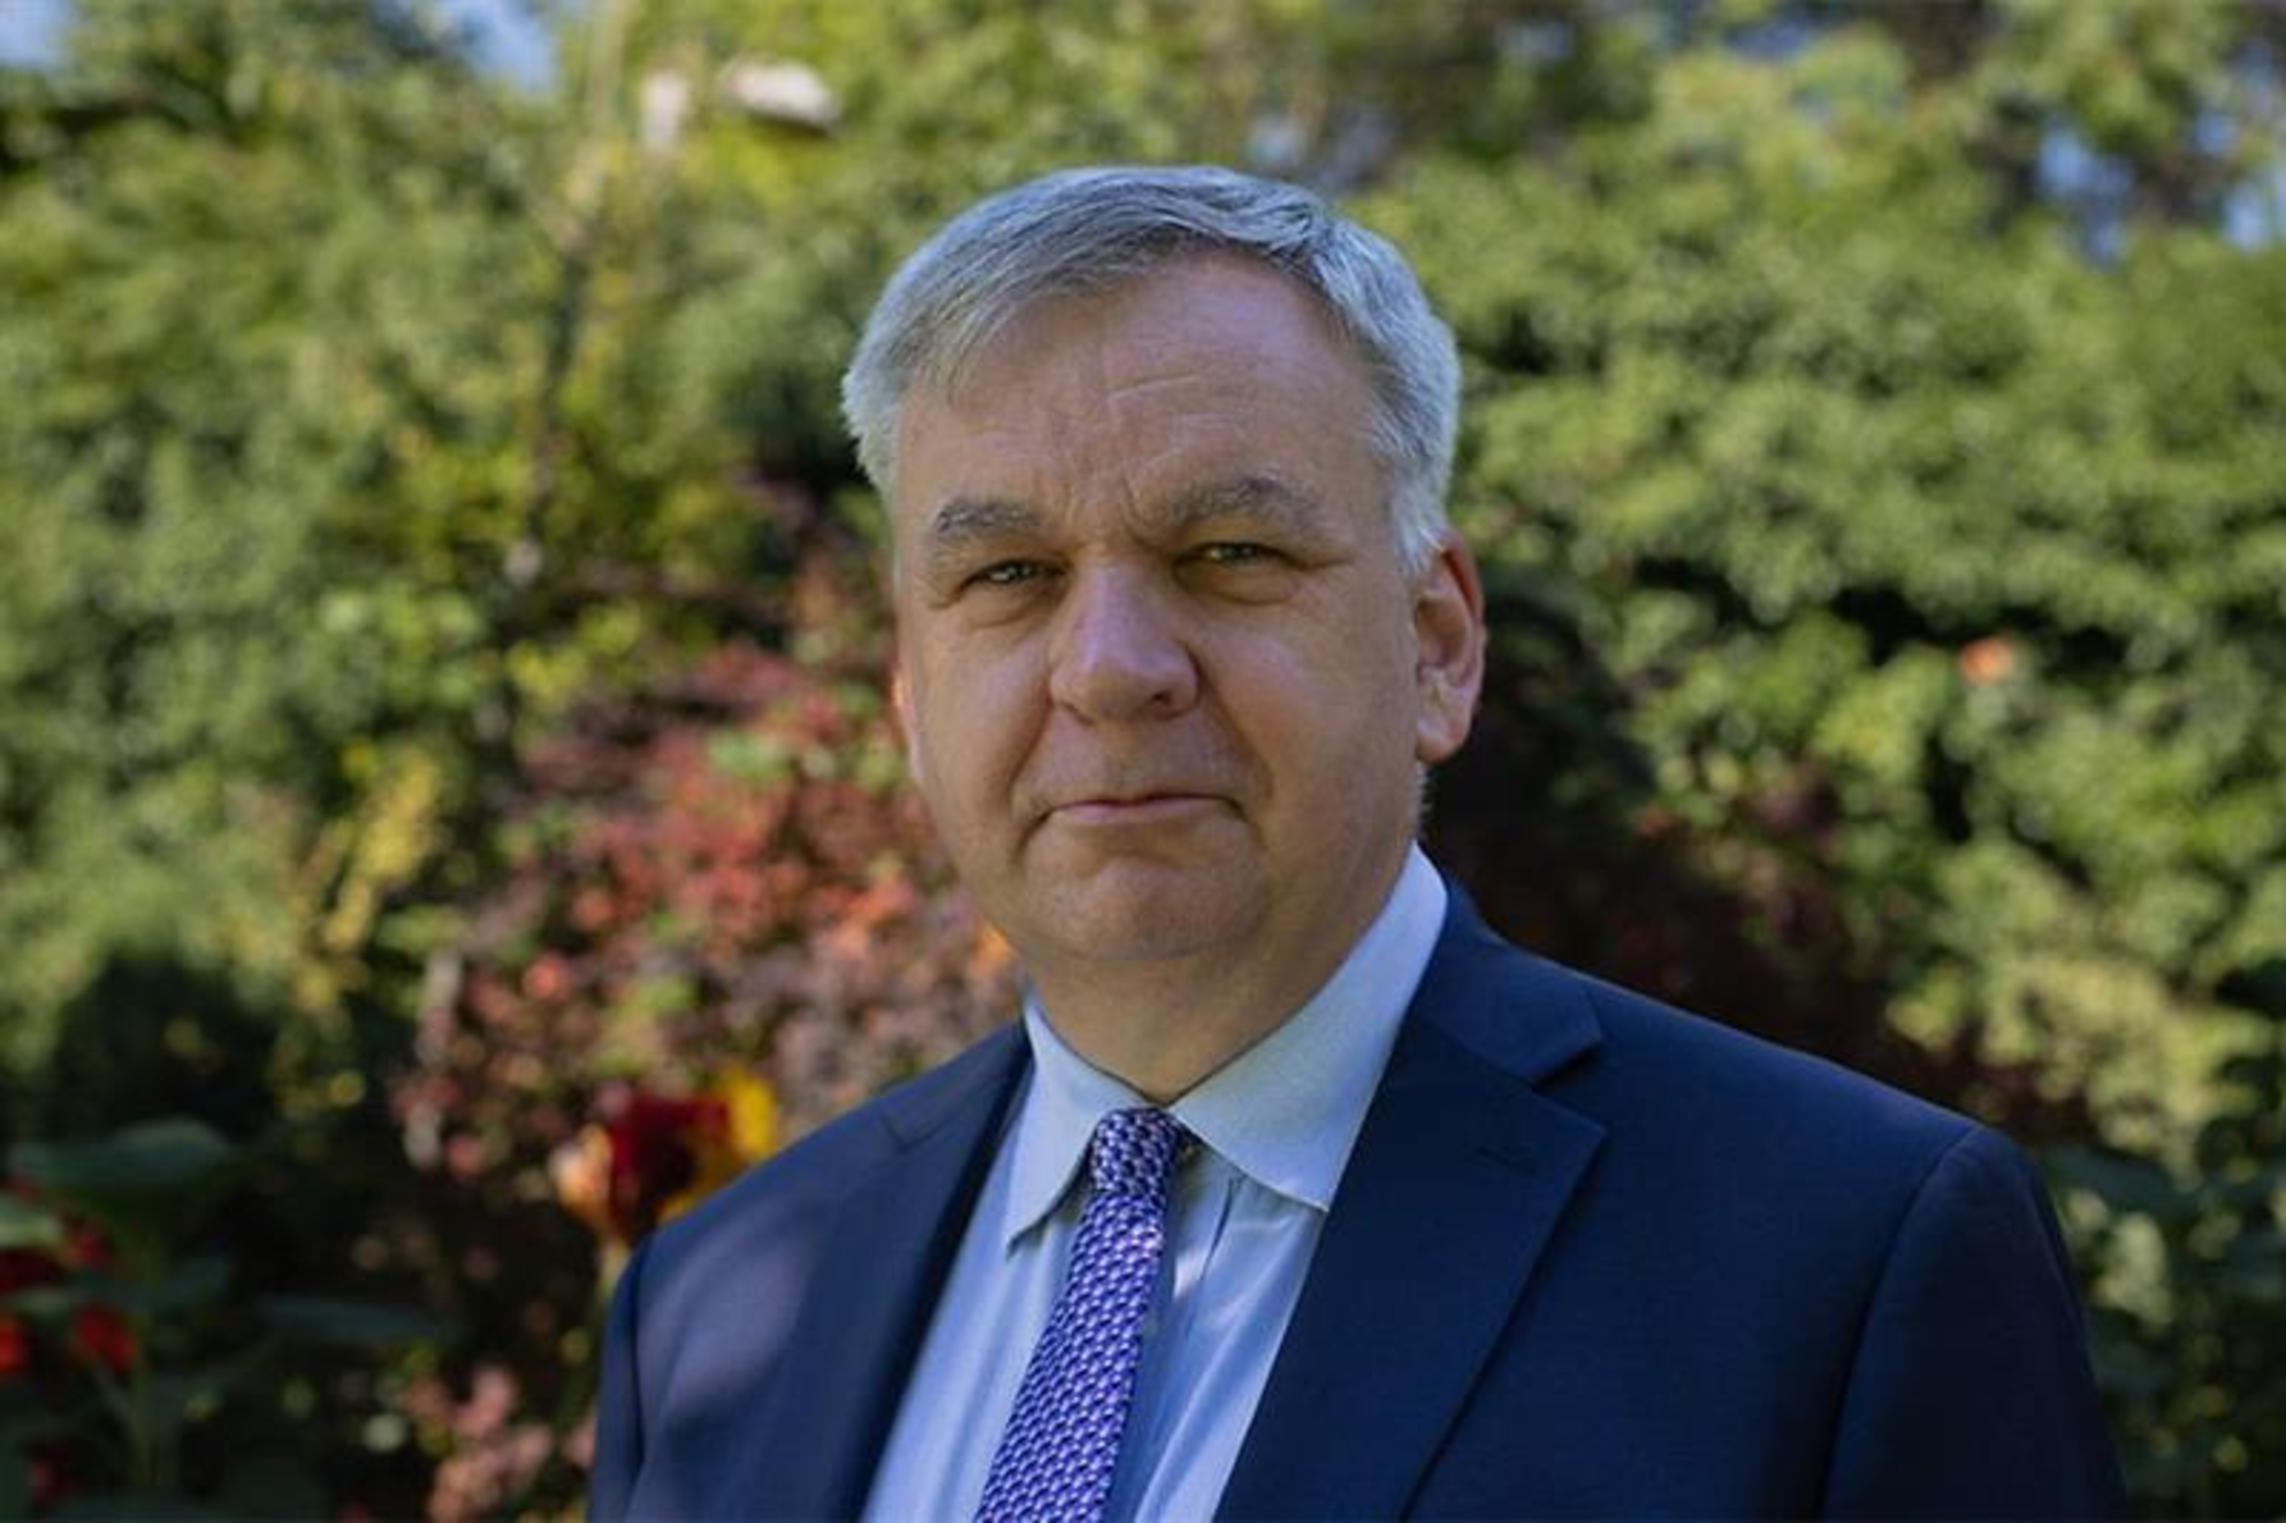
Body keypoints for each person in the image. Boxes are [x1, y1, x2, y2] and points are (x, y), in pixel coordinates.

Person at [589, 165, 2122, 1520]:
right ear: (909, 693)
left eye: (1227, 551)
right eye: (1006, 574)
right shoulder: (708, 1306)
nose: (1109, 666)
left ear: (1436, 643)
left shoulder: (1841, 1260)